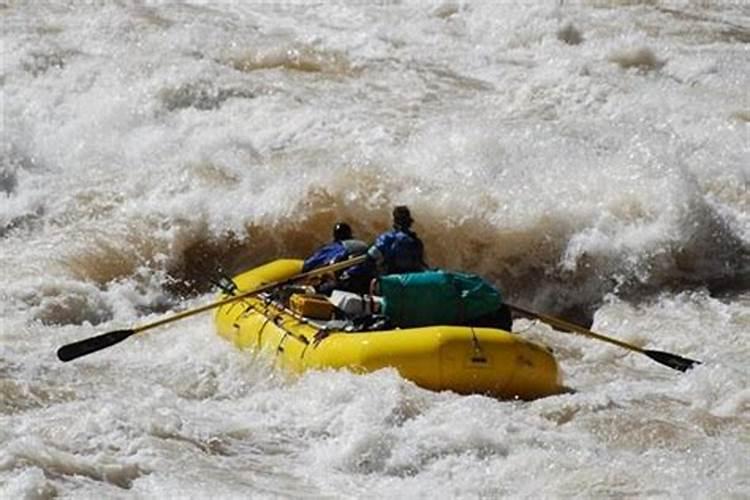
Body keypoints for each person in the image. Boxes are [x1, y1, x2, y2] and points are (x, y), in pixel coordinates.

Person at [367, 205, 427, 275]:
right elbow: (420, 263)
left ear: (394, 221)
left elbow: (370, 257)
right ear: (410, 222)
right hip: (412, 279)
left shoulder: (387, 238)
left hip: (393, 279)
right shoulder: (417, 241)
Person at [301, 222, 367, 273]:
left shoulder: (338, 247)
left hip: (348, 278)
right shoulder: (361, 244)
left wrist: (303, 267)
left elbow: (315, 260)